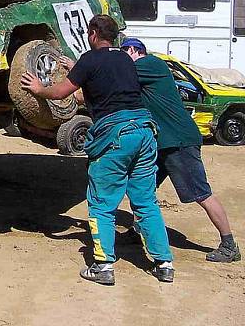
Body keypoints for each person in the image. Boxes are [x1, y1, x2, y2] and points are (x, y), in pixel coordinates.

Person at [21, 15, 174, 285]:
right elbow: (98, 87)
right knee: (146, 202)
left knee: (102, 203)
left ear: (93, 33)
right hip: (144, 131)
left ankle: (103, 266)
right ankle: (164, 263)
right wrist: (76, 68)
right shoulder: (125, 59)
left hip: (116, 136)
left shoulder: (90, 59)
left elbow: (60, 93)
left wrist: (38, 88)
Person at [120, 37, 240, 263]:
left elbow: (116, 73)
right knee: (141, 188)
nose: (122, 56)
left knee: (201, 194)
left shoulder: (151, 64)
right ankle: (137, 232)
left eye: (123, 51)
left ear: (135, 51)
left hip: (178, 142)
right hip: (163, 143)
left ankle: (229, 245)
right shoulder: (140, 73)